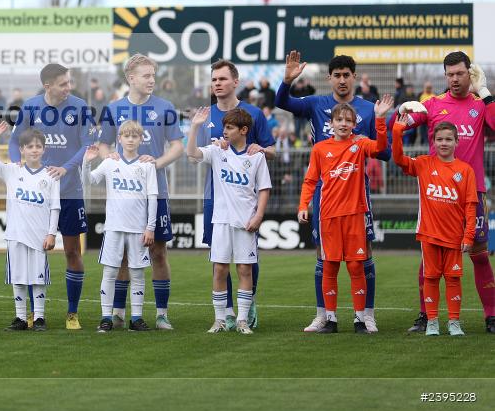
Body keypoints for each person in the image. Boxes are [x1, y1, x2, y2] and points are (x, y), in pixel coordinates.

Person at [276, 52, 390, 333]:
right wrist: (287, 81)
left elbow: (384, 153)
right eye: (336, 75)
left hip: (356, 193)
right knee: (323, 255)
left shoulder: (366, 108)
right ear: (329, 78)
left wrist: (374, 128)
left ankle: (367, 315)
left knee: (363, 256)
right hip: (324, 194)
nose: (341, 80)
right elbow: (281, 102)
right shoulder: (316, 103)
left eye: (346, 75)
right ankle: (323, 315)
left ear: (354, 77)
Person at [397, 51, 495, 333]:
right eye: (450, 74)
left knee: (479, 255)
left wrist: (485, 91)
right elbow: (402, 125)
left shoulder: (479, 105)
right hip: (436, 193)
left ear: (469, 73)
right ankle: (425, 315)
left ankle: (491, 316)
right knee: (429, 258)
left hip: (472, 192)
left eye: (460, 74)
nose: (454, 79)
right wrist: (403, 110)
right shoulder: (433, 105)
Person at [97, 54, 183, 330]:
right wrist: (111, 160)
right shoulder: (113, 108)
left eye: (153, 75)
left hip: (155, 194)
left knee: (158, 251)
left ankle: (161, 314)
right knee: (123, 254)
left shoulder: (165, 107)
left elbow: (177, 146)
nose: (152, 80)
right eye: (146, 76)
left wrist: (156, 163)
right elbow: (104, 145)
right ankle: (120, 312)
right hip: (124, 197)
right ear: (130, 78)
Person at [9, 63, 94, 330]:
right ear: (48, 86)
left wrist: (66, 168)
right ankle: (34, 314)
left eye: (69, 82)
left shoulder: (79, 107)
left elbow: (88, 144)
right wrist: (17, 165)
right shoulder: (31, 107)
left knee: (72, 251)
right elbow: (14, 142)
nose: (68, 88)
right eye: (63, 84)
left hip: (69, 192)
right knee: (34, 252)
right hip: (37, 197)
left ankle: (72, 313)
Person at [297, 97, 392, 334]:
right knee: (329, 266)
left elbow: (381, 148)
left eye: (348, 120)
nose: (343, 124)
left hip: (355, 216)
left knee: (355, 266)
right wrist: (303, 205)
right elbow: (310, 180)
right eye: (339, 119)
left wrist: (380, 119)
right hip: (328, 216)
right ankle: (330, 319)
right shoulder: (320, 148)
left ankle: (360, 319)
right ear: (331, 123)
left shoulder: (360, 144)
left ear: (354, 124)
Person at [196, 60, 275, 331]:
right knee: (219, 259)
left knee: (246, 262)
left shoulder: (252, 113)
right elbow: (197, 153)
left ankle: (246, 307)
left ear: (235, 82)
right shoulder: (206, 115)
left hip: (244, 200)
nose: (217, 83)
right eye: (214, 79)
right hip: (215, 200)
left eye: (222, 79)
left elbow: (272, 149)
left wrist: (259, 148)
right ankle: (226, 313)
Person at [392, 117, 476, 336]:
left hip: (455, 237)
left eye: (449, 139)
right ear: (433, 141)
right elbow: (399, 159)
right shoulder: (423, 163)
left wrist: (468, 237)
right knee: (430, 278)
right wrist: (397, 132)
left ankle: (454, 322)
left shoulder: (465, 171)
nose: (444, 143)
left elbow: (470, 207)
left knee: (453, 278)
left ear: (457, 142)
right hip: (429, 235)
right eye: (439, 139)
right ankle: (432, 321)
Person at [0, 121, 59, 331]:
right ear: (22, 150)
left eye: (38, 146)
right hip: (16, 234)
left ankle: (39, 318)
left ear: (44, 149)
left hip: (39, 236)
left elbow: (55, 207)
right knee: (18, 277)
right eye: (30, 147)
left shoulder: (51, 175)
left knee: (38, 278)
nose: (34, 150)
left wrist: (51, 233)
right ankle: (20, 318)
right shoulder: (11, 171)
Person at [86, 120, 157, 332]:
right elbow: (88, 181)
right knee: (110, 272)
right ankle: (106, 318)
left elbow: (152, 197)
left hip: (138, 228)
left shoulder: (147, 165)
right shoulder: (109, 162)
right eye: (127, 136)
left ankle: (136, 318)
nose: (131, 139)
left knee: (137, 274)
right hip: (114, 227)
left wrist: (150, 227)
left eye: (135, 136)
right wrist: (86, 162)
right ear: (119, 139)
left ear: (141, 139)